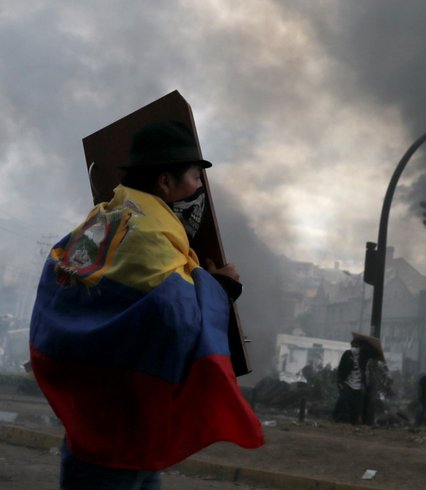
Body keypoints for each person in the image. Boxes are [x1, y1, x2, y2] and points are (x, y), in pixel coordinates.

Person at [29, 121, 264, 489]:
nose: (202, 188)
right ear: (165, 183)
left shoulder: (105, 218)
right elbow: (174, 321)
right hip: (112, 445)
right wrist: (219, 288)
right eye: (195, 178)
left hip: (113, 428)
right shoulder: (151, 235)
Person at [333, 341, 366, 425]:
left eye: (357, 346)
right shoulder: (347, 354)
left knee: (356, 405)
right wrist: (340, 381)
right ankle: (342, 420)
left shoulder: (363, 357)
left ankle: (353, 421)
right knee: (344, 402)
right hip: (347, 383)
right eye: (353, 346)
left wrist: (363, 383)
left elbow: (364, 371)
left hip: (358, 385)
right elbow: (341, 368)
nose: (355, 348)